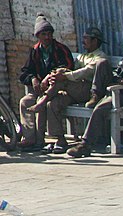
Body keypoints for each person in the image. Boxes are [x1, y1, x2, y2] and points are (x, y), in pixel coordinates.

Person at [66, 34, 123, 158]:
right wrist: (116, 79)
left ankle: (85, 145)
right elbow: (116, 73)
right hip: (114, 88)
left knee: (99, 109)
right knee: (102, 63)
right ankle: (96, 94)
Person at [30, 27, 109, 154]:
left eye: (86, 39)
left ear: (95, 41)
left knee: (62, 79)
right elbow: (70, 68)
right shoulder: (82, 56)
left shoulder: (100, 57)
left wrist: (65, 76)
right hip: (74, 90)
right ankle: (60, 140)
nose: (83, 41)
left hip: (88, 92)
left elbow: (84, 72)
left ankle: (43, 100)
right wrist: (55, 75)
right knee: (53, 103)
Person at [17, 14, 74, 151]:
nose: (47, 37)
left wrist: (48, 78)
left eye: (49, 34)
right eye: (44, 34)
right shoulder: (35, 51)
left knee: (43, 103)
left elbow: (66, 68)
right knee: (25, 102)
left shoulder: (61, 49)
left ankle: (40, 140)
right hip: (40, 89)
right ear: (38, 36)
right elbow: (24, 72)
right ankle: (30, 138)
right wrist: (33, 79)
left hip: (57, 89)